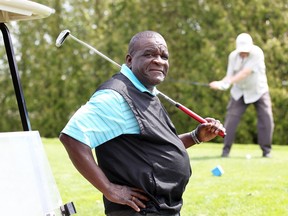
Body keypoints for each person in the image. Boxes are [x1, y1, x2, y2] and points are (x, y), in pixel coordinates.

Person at [59, 30, 226, 216]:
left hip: (162, 209)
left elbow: (156, 147)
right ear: (129, 60)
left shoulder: (146, 93)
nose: (159, 61)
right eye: (149, 54)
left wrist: (195, 136)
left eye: (164, 56)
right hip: (141, 211)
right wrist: (109, 189)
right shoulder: (115, 96)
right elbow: (72, 137)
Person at [209, 33, 274, 158]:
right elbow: (229, 75)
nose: (243, 53)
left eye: (246, 51)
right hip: (239, 92)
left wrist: (226, 83)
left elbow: (245, 73)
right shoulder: (233, 56)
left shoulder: (257, 53)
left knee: (266, 119)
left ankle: (266, 151)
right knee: (231, 120)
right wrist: (220, 84)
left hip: (259, 91)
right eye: (241, 51)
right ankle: (225, 151)